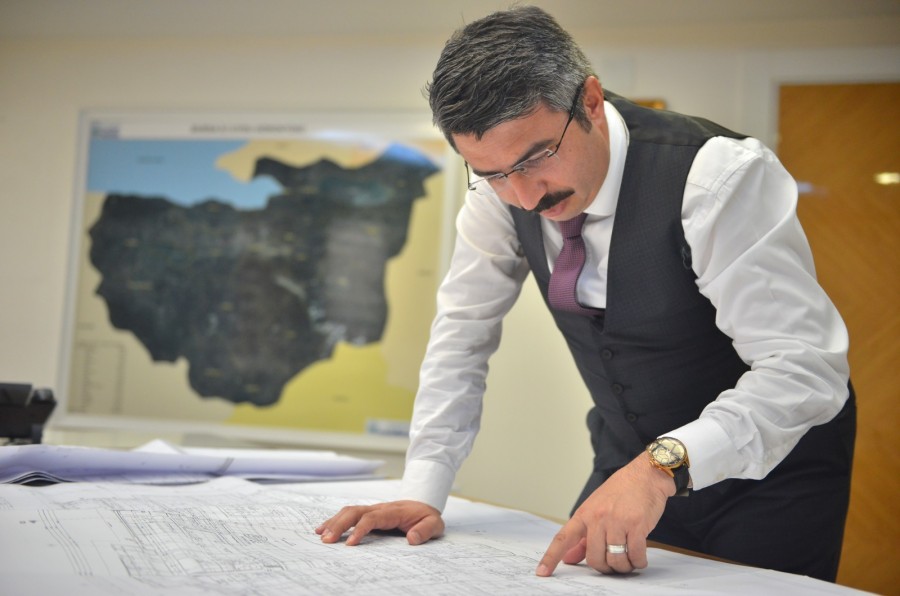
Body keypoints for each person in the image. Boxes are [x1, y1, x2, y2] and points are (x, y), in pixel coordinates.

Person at [317, 5, 855, 582]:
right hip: (624, 461)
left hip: (770, 480)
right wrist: (423, 488)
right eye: (492, 174)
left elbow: (805, 368)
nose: (524, 197)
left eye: (535, 158)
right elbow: (461, 335)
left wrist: (659, 469)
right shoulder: (501, 191)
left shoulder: (715, 177)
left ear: (590, 102)